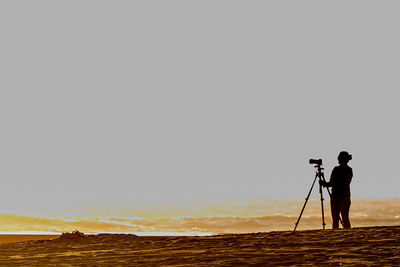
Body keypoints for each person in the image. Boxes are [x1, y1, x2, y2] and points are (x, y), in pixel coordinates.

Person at [321, 151, 353, 229]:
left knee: (335, 218)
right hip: (344, 195)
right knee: (345, 217)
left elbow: (331, 183)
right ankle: (347, 233)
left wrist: (324, 183)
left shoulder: (336, 169)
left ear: (340, 159)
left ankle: (336, 231)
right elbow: (346, 183)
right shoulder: (349, 170)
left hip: (336, 196)